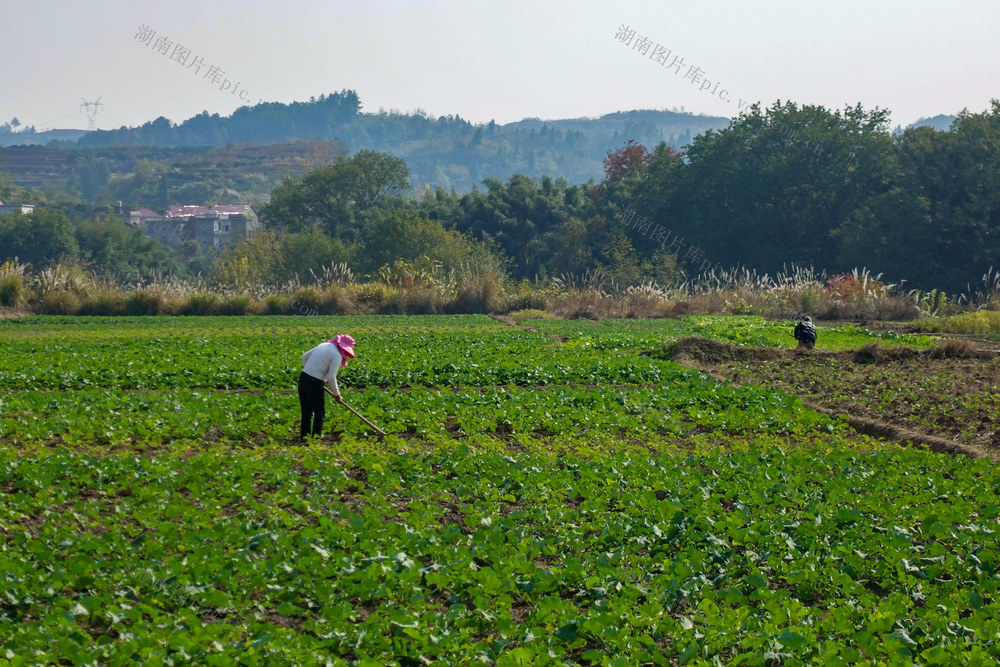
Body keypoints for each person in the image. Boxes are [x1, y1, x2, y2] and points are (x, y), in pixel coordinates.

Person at [298, 334, 355, 440]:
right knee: (319, 412)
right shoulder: (337, 355)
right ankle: (316, 438)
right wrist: (337, 395)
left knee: (306, 411)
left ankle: (304, 437)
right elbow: (331, 378)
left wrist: (311, 370)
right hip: (315, 382)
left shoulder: (323, 345)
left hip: (303, 378)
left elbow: (304, 357)